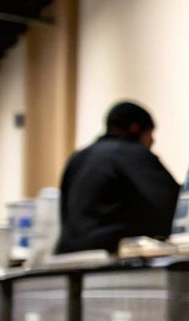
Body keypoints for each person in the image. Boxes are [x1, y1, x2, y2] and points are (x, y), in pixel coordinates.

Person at [54, 101, 180, 254]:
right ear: (135, 128)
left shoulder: (77, 157)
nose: (152, 141)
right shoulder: (130, 153)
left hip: (69, 257)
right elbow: (173, 203)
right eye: (150, 134)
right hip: (111, 255)